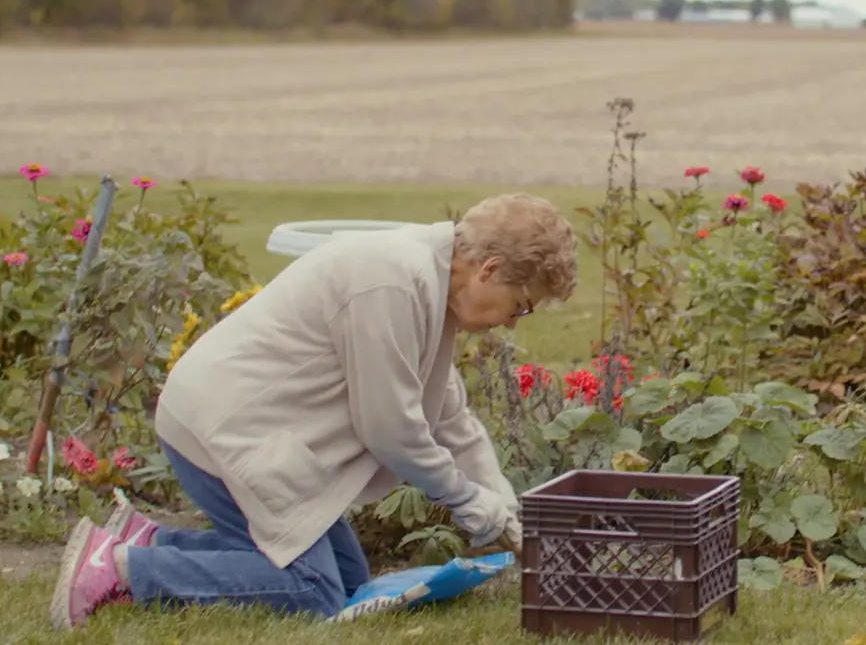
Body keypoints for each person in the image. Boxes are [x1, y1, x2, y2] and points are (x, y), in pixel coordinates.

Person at [49, 193, 578, 630]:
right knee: (312, 592)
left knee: (348, 580)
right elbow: (390, 429)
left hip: (259, 432)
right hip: (224, 431)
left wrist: (504, 510)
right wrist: (464, 498)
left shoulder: (432, 285)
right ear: (489, 270)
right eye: (521, 305)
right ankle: (120, 568)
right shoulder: (393, 282)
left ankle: (151, 540)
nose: (514, 322)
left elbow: (452, 421)